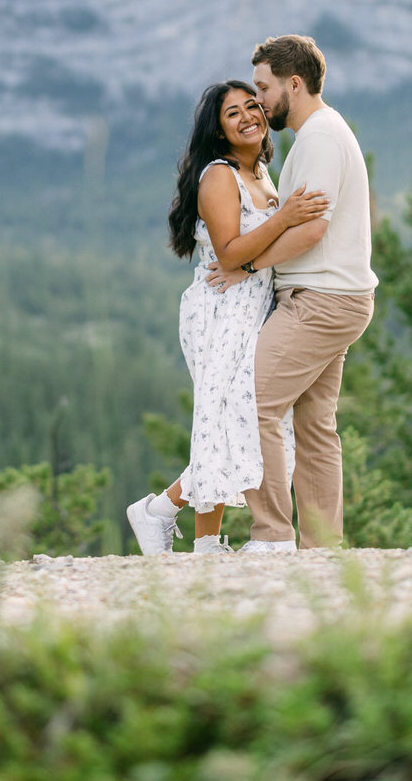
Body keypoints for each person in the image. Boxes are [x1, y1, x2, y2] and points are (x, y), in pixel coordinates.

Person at [127, 80, 328, 555]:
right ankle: (206, 543)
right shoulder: (220, 175)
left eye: (252, 106)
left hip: (255, 306)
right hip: (221, 308)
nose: (247, 117)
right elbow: (230, 253)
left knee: (238, 421)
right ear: (218, 132)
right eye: (232, 113)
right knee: (222, 420)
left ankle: (159, 511)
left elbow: (254, 255)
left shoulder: (260, 173)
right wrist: (287, 216)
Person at [208, 35, 377, 551]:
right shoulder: (321, 134)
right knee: (316, 428)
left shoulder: (321, 136)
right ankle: (323, 548)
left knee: (249, 400)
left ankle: (273, 535)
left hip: (322, 302)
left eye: (263, 88)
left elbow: (311, 229)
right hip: (339, 299)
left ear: (294, 84)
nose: (259, 102)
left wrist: (249, 263)